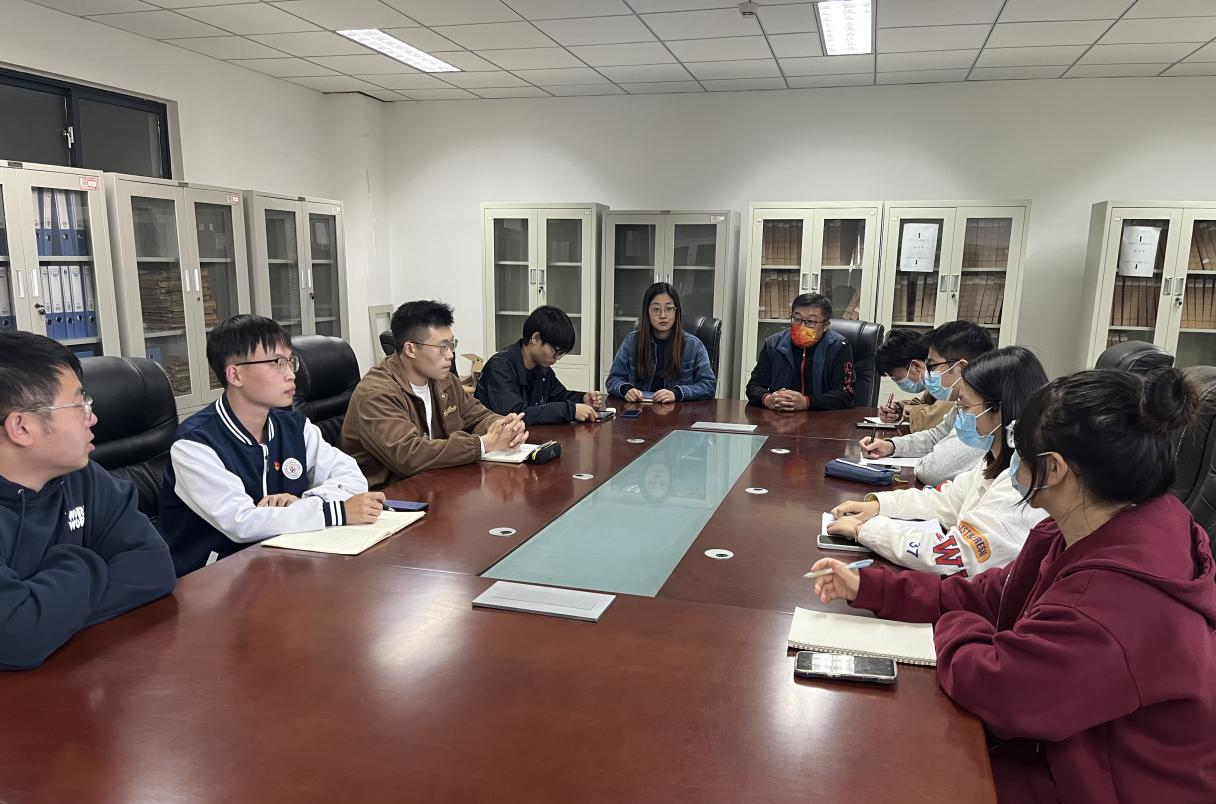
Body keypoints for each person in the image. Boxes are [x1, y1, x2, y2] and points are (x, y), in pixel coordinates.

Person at [811, 367, 1216, 804]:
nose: (1012, 459)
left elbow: (1000, 691)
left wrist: (957, 625)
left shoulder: (1114, 602)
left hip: (1103, 784)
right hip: (1067, 750)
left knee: (870, 768)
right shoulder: (1082, 530)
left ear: (1054, 468)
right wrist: (873, 588)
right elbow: (990, 595)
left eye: (1020, 447)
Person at [0, 332, 175, 669]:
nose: (92, 418)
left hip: (78, 671)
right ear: (21, 427)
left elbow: (154, 567)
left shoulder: (81, 475)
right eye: (79, 404)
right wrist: (86, 560)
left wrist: (45, 613)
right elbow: (17, 637)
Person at [159, 315, 381, 575]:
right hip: (214, 579)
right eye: (277, 363)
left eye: (290, 361)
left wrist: (304, 502)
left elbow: (351, 476)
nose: (291, 374)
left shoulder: (293, 425)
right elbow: (242, 522)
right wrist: (334, 511)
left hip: (285, 563)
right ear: (235, 375)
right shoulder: (194, 444)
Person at [828, 346, 1049, 576]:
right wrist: (879, 506)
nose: (961, 415)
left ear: (998, 409)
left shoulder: (1019, 484)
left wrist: (865, 529)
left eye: (965, 407)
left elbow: (950, 555)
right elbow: (949, 500)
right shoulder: (998, 460)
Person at [342, 300, 528, 487]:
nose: (450, 355)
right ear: (410, 349)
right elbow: (409, 456)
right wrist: (483, 444)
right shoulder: (376, 393)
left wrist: (503, 426)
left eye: (451, 344)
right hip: (388, 495)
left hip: (435, 481)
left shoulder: (445, 381)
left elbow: (477, 416)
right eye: (442, 347)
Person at [859, 320, 993, 486]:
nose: (926, 372)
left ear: (961, 367)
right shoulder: (966, 401)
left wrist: (925, 460)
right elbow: (937, 435)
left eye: (931, 365)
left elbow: (932, 472)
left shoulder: (986, 410)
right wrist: (892, 446)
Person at [475, 305, 603, 424]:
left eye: (561, 354)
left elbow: (558, 395)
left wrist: (582, 399)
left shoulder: (542, 368)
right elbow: (515, 415)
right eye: (555, 351)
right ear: (535, 338)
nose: (556, 358)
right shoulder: (499, 367)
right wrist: (570, 410)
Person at [606, 282, 716, 402]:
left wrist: (677, 393)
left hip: (678, 411)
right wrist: (626, 389)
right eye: (656, 309)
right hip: (639, 409)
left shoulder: (694, 346)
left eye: (669, 309)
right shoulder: (631, 342)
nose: (662, 315)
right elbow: (613, 379)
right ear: (647, 312)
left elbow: (708, 386)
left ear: (676, 311)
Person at [746, 292, 855, 412]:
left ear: (825, 325)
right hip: (780, 417)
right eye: (797, 319)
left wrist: (806, 402)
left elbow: (845, 394)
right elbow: (754, 386)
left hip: (822, 418)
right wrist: (767, 399)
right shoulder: (773, 344)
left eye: (810, 321)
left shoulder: (838, 346)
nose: (802, 326)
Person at [873, 328, 952, 432]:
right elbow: (925, 405)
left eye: (896, 378)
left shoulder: (950, 380)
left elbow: (931, 420)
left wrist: (912, 411)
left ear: (915, 366)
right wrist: (897, 409)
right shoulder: (934, 382)